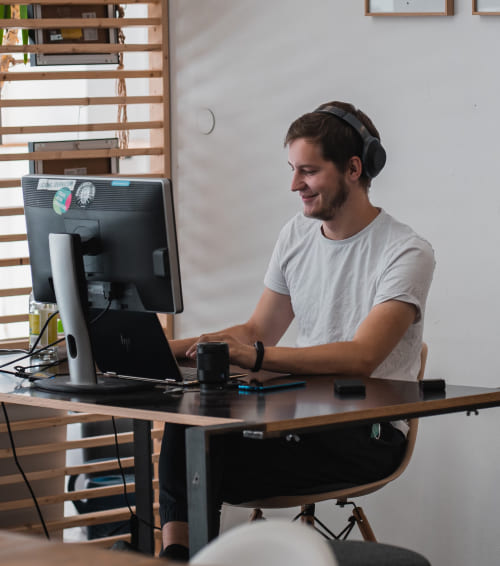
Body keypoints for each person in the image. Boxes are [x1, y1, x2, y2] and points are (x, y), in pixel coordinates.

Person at [158, 100, 435, 560]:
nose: (294, 185)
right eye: (292, 170)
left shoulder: (406, 252)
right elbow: (257, 329)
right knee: (188, 423)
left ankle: (188, 556)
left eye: (308, 171)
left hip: (367, 433)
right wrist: (164, 349)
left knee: (204, 453)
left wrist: (256, 356)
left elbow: (362, 357)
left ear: (353, 168)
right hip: (303, 417)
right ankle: (176, 556)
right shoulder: (296, 235)